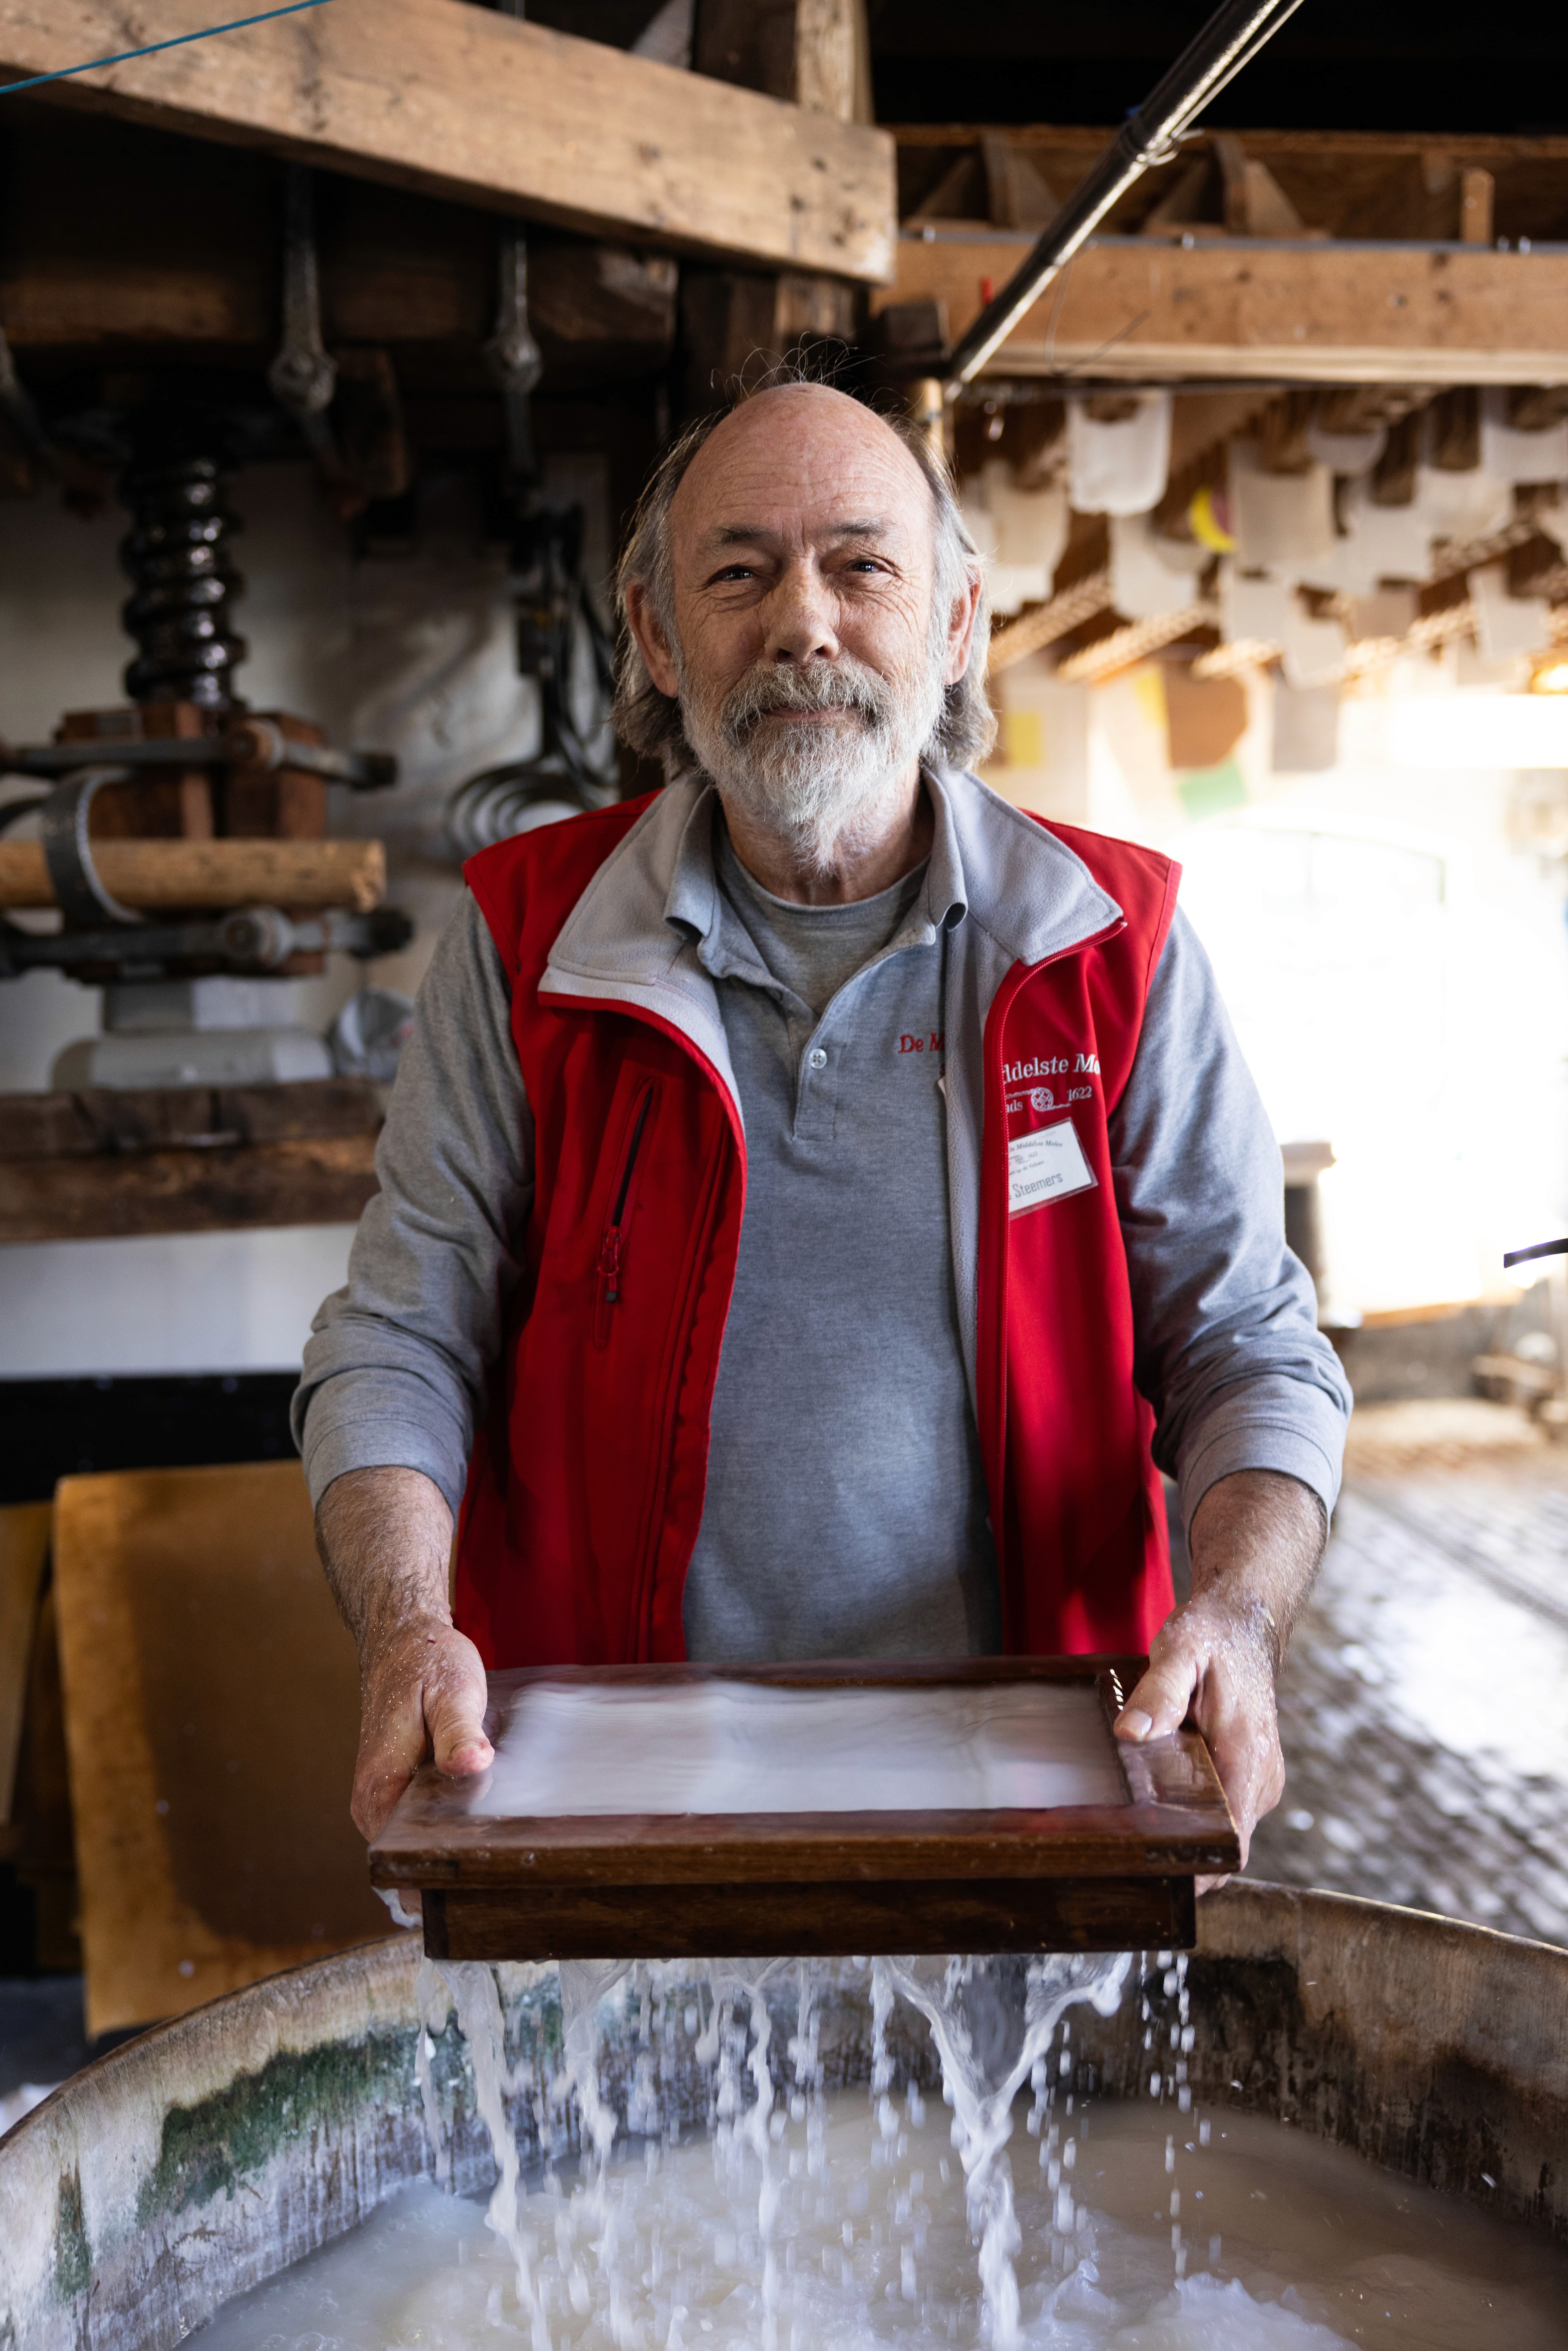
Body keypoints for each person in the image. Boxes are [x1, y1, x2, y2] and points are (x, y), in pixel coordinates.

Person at [293, 379, 1350, 1882]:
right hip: (607, 1794)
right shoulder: (524, 939)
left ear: (956, 621)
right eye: (738, 572)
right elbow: (399, 1338)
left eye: (863, 567)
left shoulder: (1109, 946)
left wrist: (1236, 1617)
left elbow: (1247, 1346)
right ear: (658, 636)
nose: (804, 623)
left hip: (1035, 1787)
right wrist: (407, 1627)